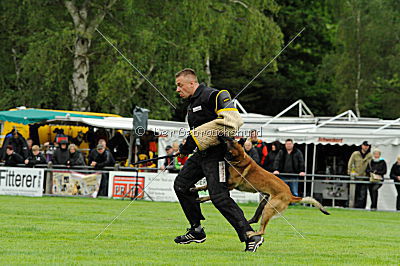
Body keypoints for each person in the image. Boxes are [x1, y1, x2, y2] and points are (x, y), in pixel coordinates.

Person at [173, 68, 262, 252]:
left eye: (180, 85)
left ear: (192, 83)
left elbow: (231, 121)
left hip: (218, 154)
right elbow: (197, 134)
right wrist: (186, 147)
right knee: (181, 185)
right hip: (201, 154)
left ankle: (250, 235)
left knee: (219, 197)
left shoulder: (213, 95)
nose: (178, 90)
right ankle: (196, 229)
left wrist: (193, 141)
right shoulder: (191, 104)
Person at [347, 141, 372, 208]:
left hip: (365, 176)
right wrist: (350, 172)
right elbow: (350, 163)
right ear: (362, 146)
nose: (366, 147)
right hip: (355, 176)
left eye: (367, 146)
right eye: (365, 145)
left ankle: (360, 207)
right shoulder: (355, 154)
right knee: (354, 192)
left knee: (363, 193)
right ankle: (353, 206)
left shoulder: (370, 155)